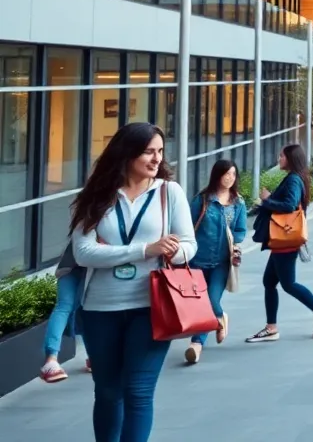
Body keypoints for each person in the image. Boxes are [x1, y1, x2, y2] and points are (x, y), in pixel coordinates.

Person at [69, 122, 197, 442]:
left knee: (138, 390)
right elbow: (83, 252)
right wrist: (145, 249)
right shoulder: (98, 195)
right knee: (108, 391)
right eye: (147, 151)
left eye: (159, 151)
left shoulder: (170, 192)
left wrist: (174, 250)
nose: (156, 159)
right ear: (127, 153)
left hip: (153, 307)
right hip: (101, 307)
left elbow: (189, 245)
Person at [246, 144, 313, 343]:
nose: (279, 159)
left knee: (288, 283)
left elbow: (289, 205)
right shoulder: (295, 177)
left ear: (291, 159)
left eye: (282, 156)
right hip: (282, 240)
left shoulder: (294, 179)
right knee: (269, 282)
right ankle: (271, 328)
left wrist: (267, 200)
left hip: (286, 240)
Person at [183, 159, 247, 365]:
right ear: (217, 175)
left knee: (210, 299)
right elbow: (187, 226)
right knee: (202, 303)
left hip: (222, 262)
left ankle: (197, 343)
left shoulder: (238, 202)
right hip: (197, 260)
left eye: (233, 175)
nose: (230, 178)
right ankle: (218, 319)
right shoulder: (202, 200)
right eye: (226, 174)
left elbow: (240, 230)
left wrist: (235, 245)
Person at [39, 250, 89, 383]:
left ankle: (94, 357)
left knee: (81, 309)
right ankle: (51, 360)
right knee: (66, 307)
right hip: (77, 266)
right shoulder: (85, 229)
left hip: (87, 268)